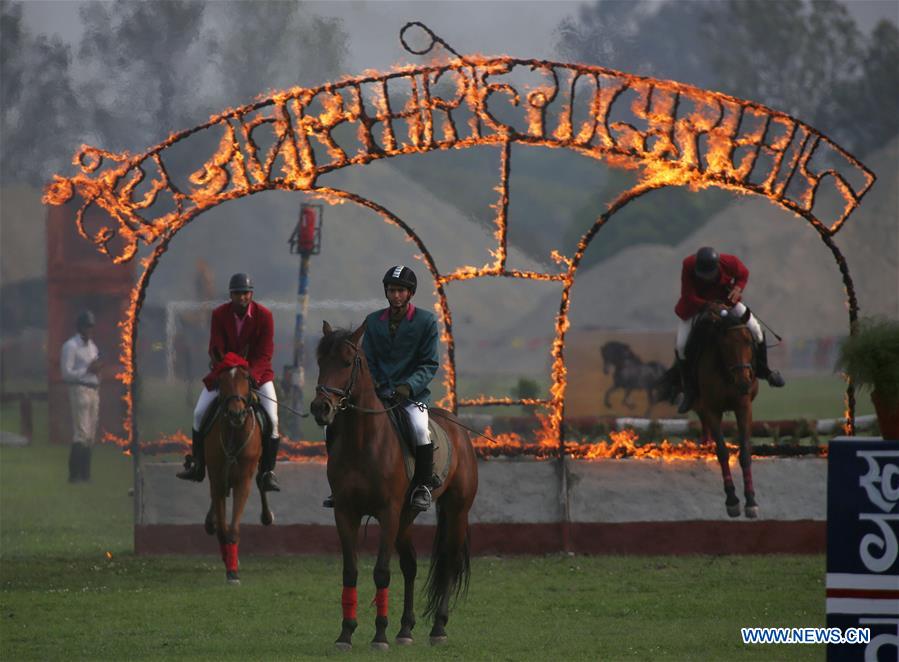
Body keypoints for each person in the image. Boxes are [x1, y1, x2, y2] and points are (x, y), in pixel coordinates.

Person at [323, 265, 441, 512]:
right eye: (391, 290)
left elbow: (429, 364)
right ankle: (338, 484)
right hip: (378, 392)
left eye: (400, 291)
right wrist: (375, 383)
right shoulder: (374, 321)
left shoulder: (426, 321)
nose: (395, 295)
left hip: (412, 396)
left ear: (410, 293)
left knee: (420, 429)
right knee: (334, 425)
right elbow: (369, 359)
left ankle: (423, 485)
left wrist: (408, 386)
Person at [176, 273, 281, 491]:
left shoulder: (265, 316)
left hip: (257, 375)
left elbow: (265, 353)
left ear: (251, 294)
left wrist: (251, 376)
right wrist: (229, 370)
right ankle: (197, 464)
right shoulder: (219, 314)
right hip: (226, 374)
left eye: (245, 293)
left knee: (272, 417)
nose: (242, 297)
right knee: (199, 413)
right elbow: (216, 348)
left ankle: (267, 472)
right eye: (237, 293)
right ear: (231, 295)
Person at [674, 246, 785, 413]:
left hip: (726, 301)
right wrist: (709, 305)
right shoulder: (688, 265)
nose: (707, 278)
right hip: (697, 306)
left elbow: (744, 274)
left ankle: (765, 370)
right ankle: (689, 391)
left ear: (718, 265)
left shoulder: (730, 262)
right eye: (703, 275)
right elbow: (688, 295)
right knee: (681, 345)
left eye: (710, 274)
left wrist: (738, 288)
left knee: (755, 329)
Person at [60, 310, 102, 483]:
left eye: (91, 326)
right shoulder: (71, 346)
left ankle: (85, 474)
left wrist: (97, 370)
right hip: (79, 389)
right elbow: (66, 373)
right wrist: (86, 370)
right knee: (81, 432)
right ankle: (74, 474)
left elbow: (95, 368)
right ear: (80, 327)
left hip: (93, 389)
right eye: (87, 326)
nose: (90, 329)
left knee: (91, 434)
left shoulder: (93, 347)